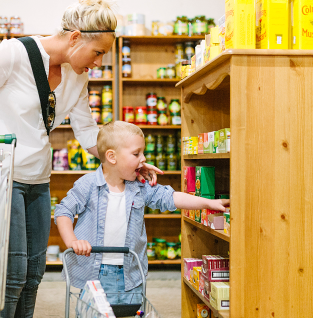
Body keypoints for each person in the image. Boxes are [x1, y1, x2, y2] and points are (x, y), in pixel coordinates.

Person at [0, 1, 160, 317]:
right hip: (6, 176)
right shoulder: (13, 54)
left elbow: (88, 133)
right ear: (75, 38)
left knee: (34, 274)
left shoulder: (78, 77)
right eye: (97, 53)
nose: (99, 63)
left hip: (38, 178)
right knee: (13, 275)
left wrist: (131, 163)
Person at [54, 121, 230, 305]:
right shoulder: (88, 185)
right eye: (136, 153)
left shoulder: (139, 187)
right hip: (93, 271)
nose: (143, 158)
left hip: (131, 272)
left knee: (131, 312)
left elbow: (170, 197)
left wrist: (208, 202)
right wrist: (72, 241)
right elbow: (63, 211)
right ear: (112, 157)